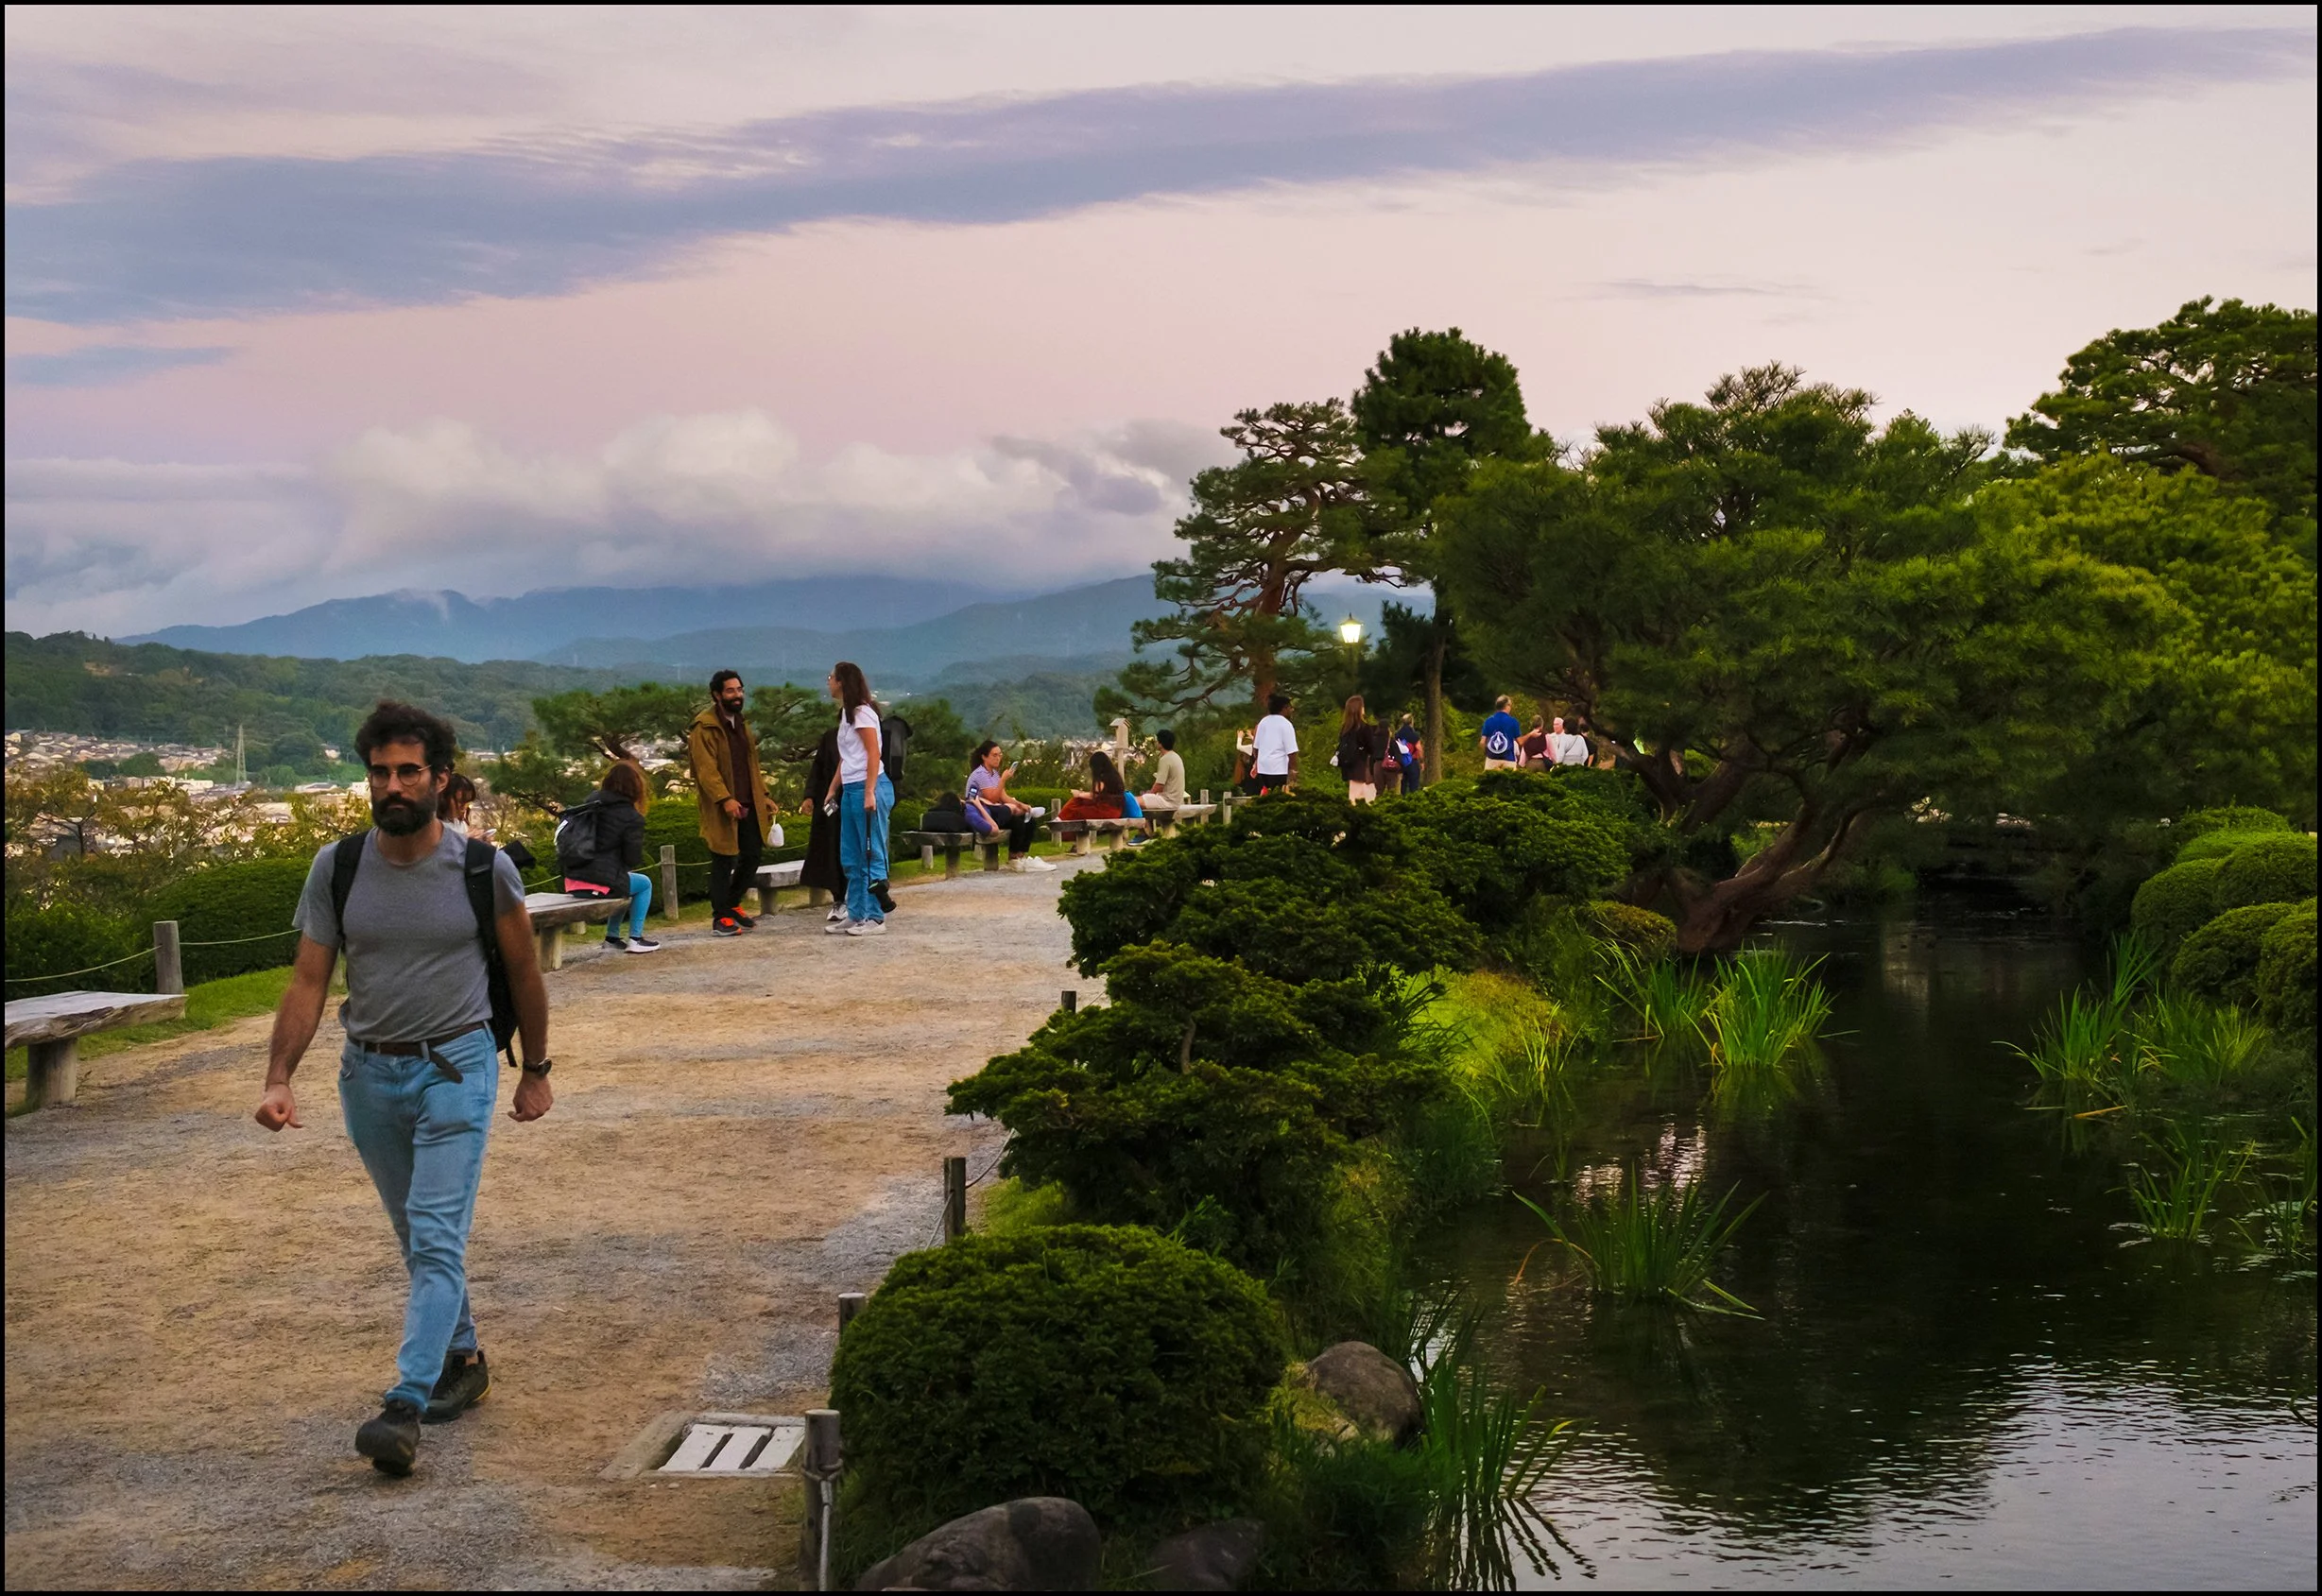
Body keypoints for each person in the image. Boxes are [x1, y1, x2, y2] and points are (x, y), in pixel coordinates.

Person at [253, 700, 553, 1478]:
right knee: (418, 1237)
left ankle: (405, 1402)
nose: (392, 783)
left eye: (408, 770)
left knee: (434, 1229)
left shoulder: (484, 867)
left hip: (456, 1065)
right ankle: (463, 1357)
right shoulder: (338, 866)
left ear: (439, 777)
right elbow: (310, 977)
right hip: (369, 1074)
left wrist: (537, 1070)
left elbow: (524, 971)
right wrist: (279, 1075)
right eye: (380, 771)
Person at [686, 670, 777, 938]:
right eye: (730, 691)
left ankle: (732, 904)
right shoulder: (704, 727)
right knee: (723, 858)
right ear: (716, 695)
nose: (737, 695)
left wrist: (764, 794)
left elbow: (752, 764)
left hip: (749, 800)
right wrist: (725, 798)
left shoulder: (741, 723)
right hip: (721, 804)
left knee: (752, 855)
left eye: (739, 690)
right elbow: (706, 770)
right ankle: (720, 917)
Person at [823, 661, 893, 936]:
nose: (828, 681)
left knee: (872, 852)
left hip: (869, 785)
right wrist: (832, 789)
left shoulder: (863, 713)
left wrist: (869, 792)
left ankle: (876, 917)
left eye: (831, 677)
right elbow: (848, 757)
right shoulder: (846, 714)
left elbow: (873, 754)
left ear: (842, 681)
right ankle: (856, 913)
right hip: (851, 787)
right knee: (851, 855)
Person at [566, 761, 660, 953]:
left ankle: (612, 938)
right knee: (644, 883)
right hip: (600, 884)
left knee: (621, 882)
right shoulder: (631, 817)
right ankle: (635, 938)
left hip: (573, 881)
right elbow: (632, 858)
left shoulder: (589, 805)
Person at [966, 740, 1056, 873]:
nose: (998, 758)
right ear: (984, 757)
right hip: (985, 813)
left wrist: (1021, 805)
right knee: (1016, 822)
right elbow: (992, 797)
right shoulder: (980, 774)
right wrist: (1003, 780)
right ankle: (1013, 858)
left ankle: (1020, 855)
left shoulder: (993, 773)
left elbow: (1003, 796)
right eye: (994, 755)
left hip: (995, 810)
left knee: (1029, 822)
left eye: (999, 755)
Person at [1336, 695, 1386, 803]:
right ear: (1359, 709)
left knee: (1357, 792)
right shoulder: (1364, 727)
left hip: (1348, 764)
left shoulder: (1345, 728)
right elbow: (1371, 748)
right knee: (1358, 795)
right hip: (1360, 764)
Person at [1251, 693, 1299, 793]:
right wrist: (1293, 770)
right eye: (1290, 707)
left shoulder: (1263, 722)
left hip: (1263, 768)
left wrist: (1257, 762)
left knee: (1266, 794)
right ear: (1284, 708)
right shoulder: (1286, 724)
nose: (1292, 710)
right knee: (1278, 796)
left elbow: (1255, 748)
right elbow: (1292, 752)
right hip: (1278, 768)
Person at [1145, 728, 1187, 808]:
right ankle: (1147, 821)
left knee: (1134, 802)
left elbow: (1160, 785)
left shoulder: (1165, 759)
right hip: (1177, 800)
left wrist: (1149, 795)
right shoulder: (1176, 757)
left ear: (1160, 744)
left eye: (1157, 741)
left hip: (1167, 801)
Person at [1480, 695, 1522, 770]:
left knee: (1489, 780)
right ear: (1507, 706)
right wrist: (1531, 734)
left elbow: (1482, 742)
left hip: (1492, 759)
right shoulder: (1513, 721)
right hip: (1508, 759)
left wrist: (1488, 753)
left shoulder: (1488, 721)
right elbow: (1520, 742)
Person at [438, 771, 480, 838]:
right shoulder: (434, 826)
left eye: (467, 802)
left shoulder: (461, 824)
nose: (464, 807)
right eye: (460, 801)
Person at [1391, 713, 1425, 794]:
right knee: (1414, 784)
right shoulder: (1414, 735)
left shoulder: (1397, 734)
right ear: (1411, 722)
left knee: (1404, 783)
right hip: (1412, 761)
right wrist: (1422, 761)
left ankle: (1404, 800)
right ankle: (1413, 801)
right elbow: (1419, 748)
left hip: (1401, 762)